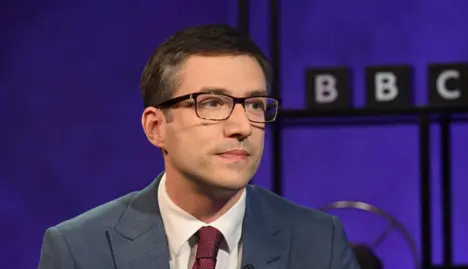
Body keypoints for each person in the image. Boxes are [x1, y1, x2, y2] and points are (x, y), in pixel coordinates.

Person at [38, 24, 360, 269]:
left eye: (256, 105)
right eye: (212, 103)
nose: (242, 127)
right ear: (156, 127)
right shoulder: (78, 250)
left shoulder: (320, 244)